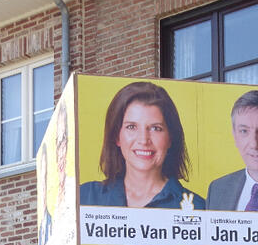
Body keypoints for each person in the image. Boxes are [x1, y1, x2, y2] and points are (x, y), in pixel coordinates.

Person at [79, 81, 202, 209]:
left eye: (156, 128)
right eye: (131, 127)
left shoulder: (198, 208)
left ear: (170, 138)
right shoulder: (83, 197)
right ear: (117, 136)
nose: (143, 140)